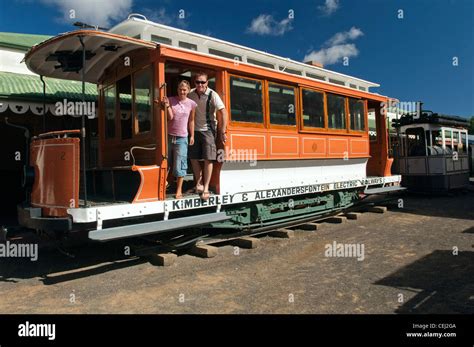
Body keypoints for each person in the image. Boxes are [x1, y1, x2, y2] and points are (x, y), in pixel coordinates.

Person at [187, 72, 227, 200]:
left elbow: (223, 111)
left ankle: (205, 188)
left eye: (203, 82)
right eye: (198, 82)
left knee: (208, 159)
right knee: (193, 157)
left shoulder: (212, 94)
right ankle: (198, 185)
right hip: (194, 130)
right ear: (195, 82)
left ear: (207, 83)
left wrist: (222, 130)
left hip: (209, 130)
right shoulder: (191, 93)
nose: (200, 84)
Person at [162, 80, 197, 199]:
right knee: (166, 162)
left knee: (180, 164)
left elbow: (191, 120)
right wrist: (166, 106)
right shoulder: (171, 100)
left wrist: (192, 135)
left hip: (182, 137)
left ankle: (179, 191)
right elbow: (170, 117)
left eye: (184, 90)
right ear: (177, 89)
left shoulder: (192, 104)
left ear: (188, 90)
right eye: (180, 89)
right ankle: (163, 187)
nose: (182, 92)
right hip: (169, 136)